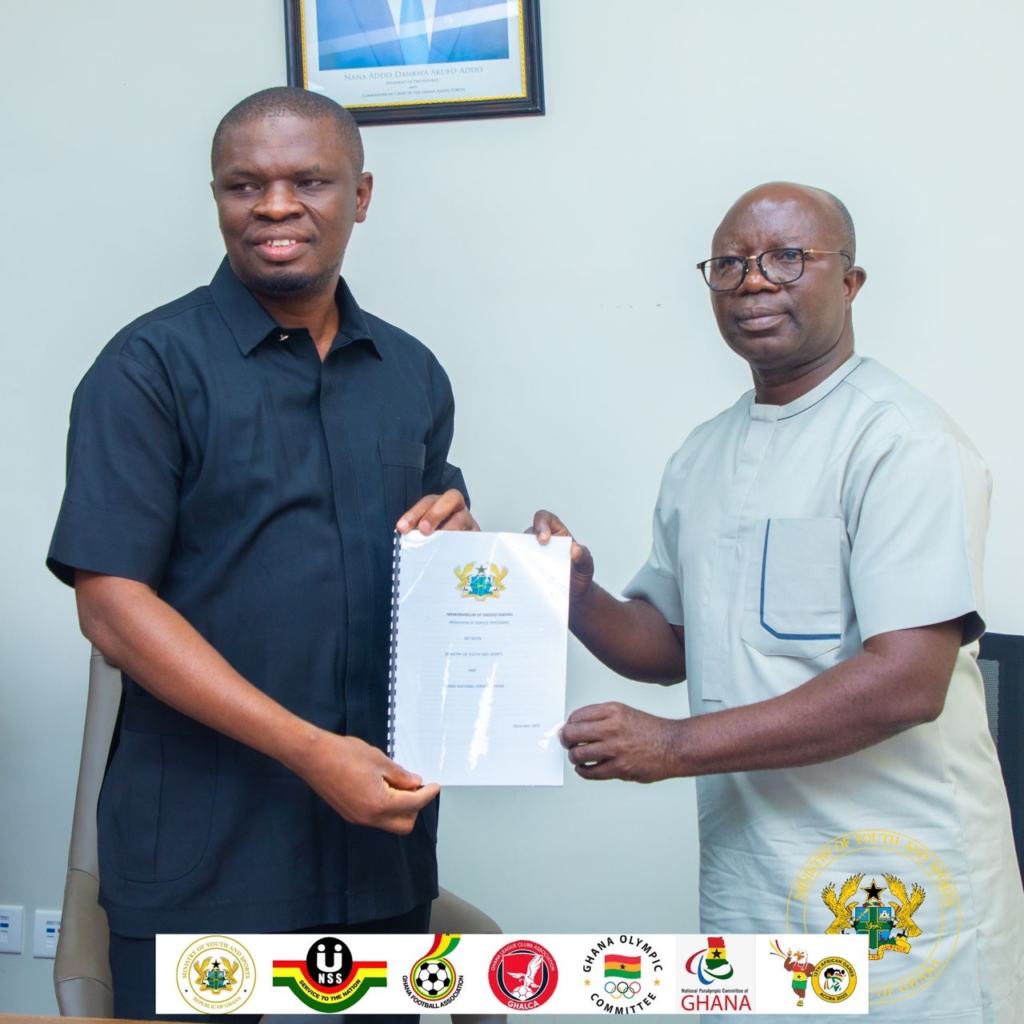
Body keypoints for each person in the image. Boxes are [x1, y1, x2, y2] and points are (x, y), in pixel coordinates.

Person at [533, 182, 1024, 1021]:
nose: (754, 280)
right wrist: (576, 597)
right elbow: (673, 643)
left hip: (895, 874)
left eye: (788, 258)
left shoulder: (901, 441)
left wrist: (673, 745)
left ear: (851, 282)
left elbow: (907, 682)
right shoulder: (703, 454)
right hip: (758, 872)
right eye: (729, 264)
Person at [47, 86, 475, 1020]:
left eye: (309, 181)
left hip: (379, 861)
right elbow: (111, 607)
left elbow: (432, 568)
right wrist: (311, 752)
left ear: (361, 195)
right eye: (245, 185)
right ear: (217, 197)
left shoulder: (411, 373)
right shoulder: (147, 368)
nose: (275, 207)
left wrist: (477, 555)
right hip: (204, 867)